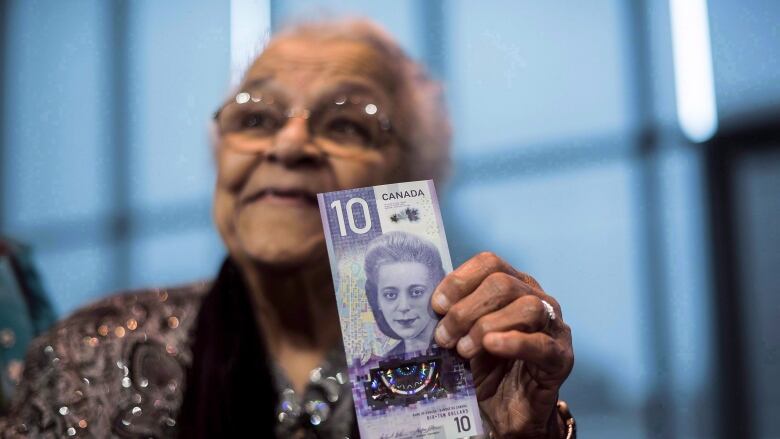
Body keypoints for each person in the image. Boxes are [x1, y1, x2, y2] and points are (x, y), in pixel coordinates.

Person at [0, 19, 575, 438]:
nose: (289, 143)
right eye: (255, 117)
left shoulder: (474, 367)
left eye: (346, 123)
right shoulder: (91, 355)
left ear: (414, 177)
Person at [365, 231, 444, 357]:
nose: (403, 306)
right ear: (377, 300)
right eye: (390, 295)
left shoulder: (461, 353)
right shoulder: (385, 361)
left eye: (416, 292)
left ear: (437, 290)